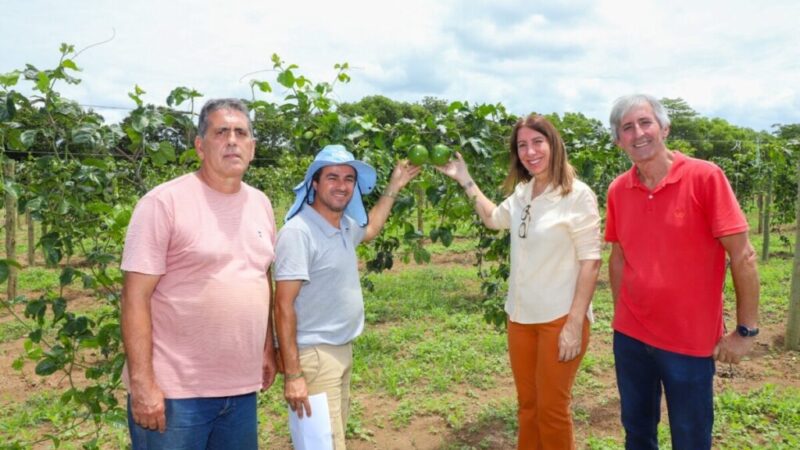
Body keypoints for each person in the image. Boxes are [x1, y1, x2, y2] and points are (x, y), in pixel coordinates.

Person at [437, 114, 602, 449]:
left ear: (553, 144)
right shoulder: (523, 193)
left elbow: (591, 262)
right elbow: (493, 219)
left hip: (559, 318)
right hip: (520, 317)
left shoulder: (577, 195)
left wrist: (574, 322)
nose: (530, 151)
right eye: (522, 145)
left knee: (552, 409)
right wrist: (464, 179)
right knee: (528, 407)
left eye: (537, 142)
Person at [120, 98, 277, 449]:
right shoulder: (164, 203)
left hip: (240, 390)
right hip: (176, 394)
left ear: (252, 147)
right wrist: (143, 383)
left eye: (241, 132)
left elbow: (259, 276)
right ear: (200, 146)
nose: (233, 141)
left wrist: (268, 347)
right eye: (221, 132)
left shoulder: (261, 204)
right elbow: (134, 296)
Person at [605, 94, 760, 449]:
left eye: (645, 123)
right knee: (637, 431)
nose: (638, 133)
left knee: (690, 438)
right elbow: (619, 255)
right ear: (618, 140)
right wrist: (620, 315)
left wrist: (746, 330)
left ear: (664, 128)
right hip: (630, 339)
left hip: (688, 343)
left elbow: (743, 255)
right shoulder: (618, 189)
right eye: (627, 128)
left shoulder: (705, 177)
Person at [274, 144, 419, 450]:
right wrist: (293, 374)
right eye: (333, 177)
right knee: (321, 444)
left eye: (348, 179)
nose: (342, 185)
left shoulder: (342, 226)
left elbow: (372, 227)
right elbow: (282, 306)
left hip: (340, 349)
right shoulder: (299, 233)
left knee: (330, 438)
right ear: (314, 183)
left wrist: (394, 186)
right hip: (314, 355)